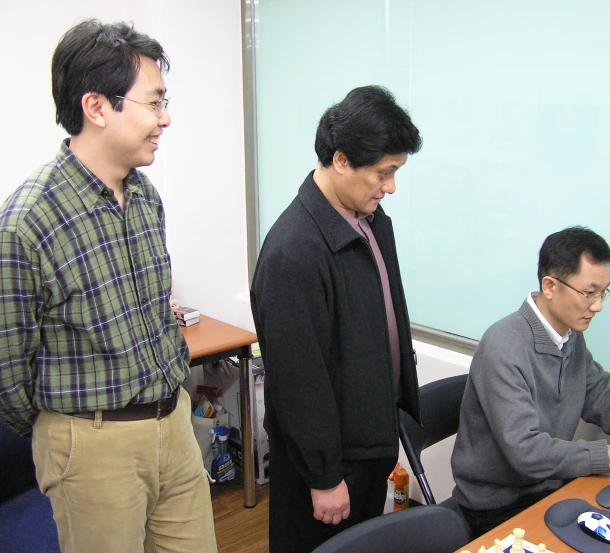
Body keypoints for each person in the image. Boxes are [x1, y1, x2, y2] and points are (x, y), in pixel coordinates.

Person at [0, 20, 217, 553]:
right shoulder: (27, 222)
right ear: (97, 108)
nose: (165, 120)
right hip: (91, 442)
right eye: (153, 103)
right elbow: (9, 374)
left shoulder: (145, 196)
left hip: (172, 424)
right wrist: (74, 431)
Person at [250, 85, 423, 552]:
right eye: (384, 173)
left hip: (367, 443)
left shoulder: (370, 220)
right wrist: (324, 476)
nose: (390, 187)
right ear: (342, 160)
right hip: (329, 463)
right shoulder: (294, 252)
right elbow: (298, 382)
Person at [451, 226, 610, 539]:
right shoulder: (503, 345)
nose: (598, 306)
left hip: (551, 486)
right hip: (498, 505)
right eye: (589, 293)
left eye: (603, 292)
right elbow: (526, 451)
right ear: (550, 286)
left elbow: (598, 394)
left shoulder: (568, 336)